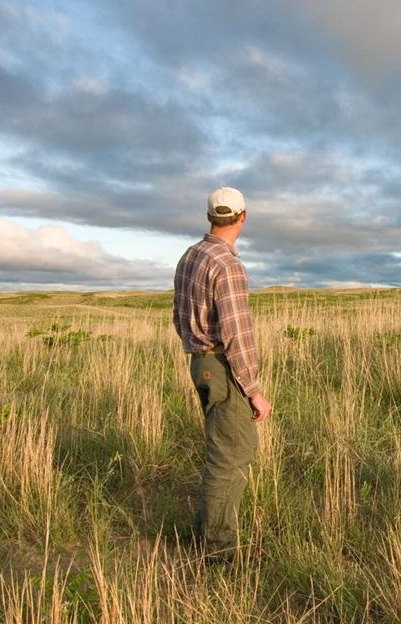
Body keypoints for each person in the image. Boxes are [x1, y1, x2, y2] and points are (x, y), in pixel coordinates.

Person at [173, 186, 272, 562]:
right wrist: (254, 389)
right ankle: (217, 551)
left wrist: (197, 351)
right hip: (222, 366)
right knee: (231, 454)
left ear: (210, 216)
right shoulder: (228, 265)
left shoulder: (191, 256)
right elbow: (236, 333)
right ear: (244, 217)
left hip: (200, 362)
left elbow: (178, 315)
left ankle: (206, 533)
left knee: (222, 450)